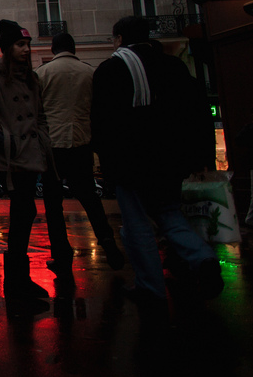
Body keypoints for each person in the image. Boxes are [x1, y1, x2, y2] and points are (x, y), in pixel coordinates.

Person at [91, 16, 222, 308]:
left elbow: (102, 123)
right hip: (171, 161)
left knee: (137, 224)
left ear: (119, 39)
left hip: (131, 163)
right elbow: (197, 111)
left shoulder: (112, 70)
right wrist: (199, 156)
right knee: (170, 215)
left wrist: (106, 162)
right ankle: (203, 258)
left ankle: (151, 286)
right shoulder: (173, 65)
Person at [0, 19, 64, 300]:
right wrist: (6, 142)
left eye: (28, 44)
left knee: (25, 213)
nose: (26, 50)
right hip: (10, 158)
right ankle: (16, 282)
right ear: (7, 47)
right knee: (24, 211)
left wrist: (43, 138)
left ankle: (18, 280)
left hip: (31, 152)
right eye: (20, 44)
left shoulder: (30, 77)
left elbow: (40, 114)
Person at [36, 32, 126, 274]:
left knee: (53, 205)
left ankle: (62, 256)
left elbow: (37, 111)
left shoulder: (42, 74)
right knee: (90, 198)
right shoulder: (89, 72)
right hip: (81, 142)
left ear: (53, 49)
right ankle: (106, 240)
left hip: (53, 146)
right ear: (73, 48)